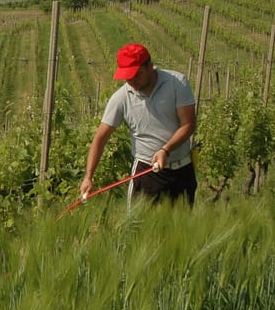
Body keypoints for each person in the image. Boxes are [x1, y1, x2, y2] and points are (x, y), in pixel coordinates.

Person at [80, 43, 197, 206]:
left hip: (182, 171)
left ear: (150, 66)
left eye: (136, 75)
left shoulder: (177, 83)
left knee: (183, 223)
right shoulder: (121, 98)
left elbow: (188, 125)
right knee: (138, 222)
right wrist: (88, 177)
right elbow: (100, 138)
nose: (132, 81)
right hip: (145, 174)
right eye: (127, 77)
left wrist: (165, 150)